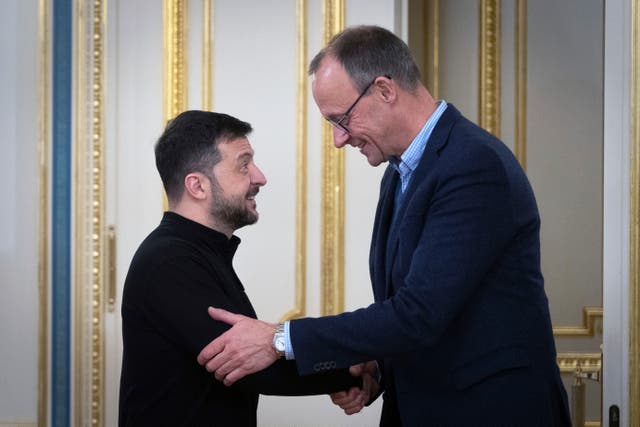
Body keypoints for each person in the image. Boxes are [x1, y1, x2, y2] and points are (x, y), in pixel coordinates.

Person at [196, 25, 572, 426]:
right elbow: (425, 308)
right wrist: (379, 368)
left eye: (342, 119)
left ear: (384, 90)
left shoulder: (473, 165)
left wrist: (279, 339)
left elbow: (419, 312)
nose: (339, 139)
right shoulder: (399, 171)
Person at [118, 110, 364, 426]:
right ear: (197, 186)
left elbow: (255, 355)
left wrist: (343, 372)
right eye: (243, 165)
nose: (259, 177)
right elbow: (253, 367)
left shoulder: (195, 252)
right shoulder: (170, 262)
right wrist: (350, 371)